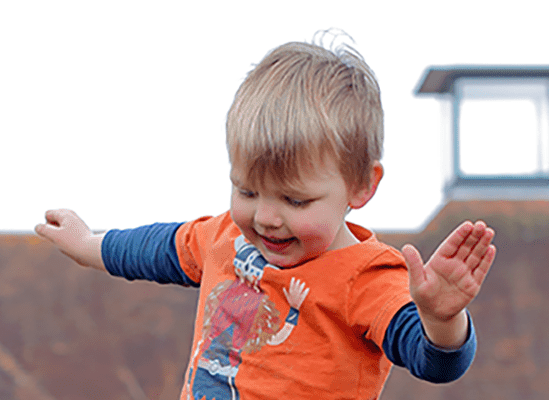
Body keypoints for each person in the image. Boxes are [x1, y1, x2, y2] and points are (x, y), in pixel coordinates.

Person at [35, 37, 496, 399]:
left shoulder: (367, 277)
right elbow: (155, 250)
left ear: (362, 186)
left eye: (296, 201)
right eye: (247, 191)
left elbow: (434, 362)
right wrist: (88, 244)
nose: (266, 218)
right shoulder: (226, 237)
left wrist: (440, 320)